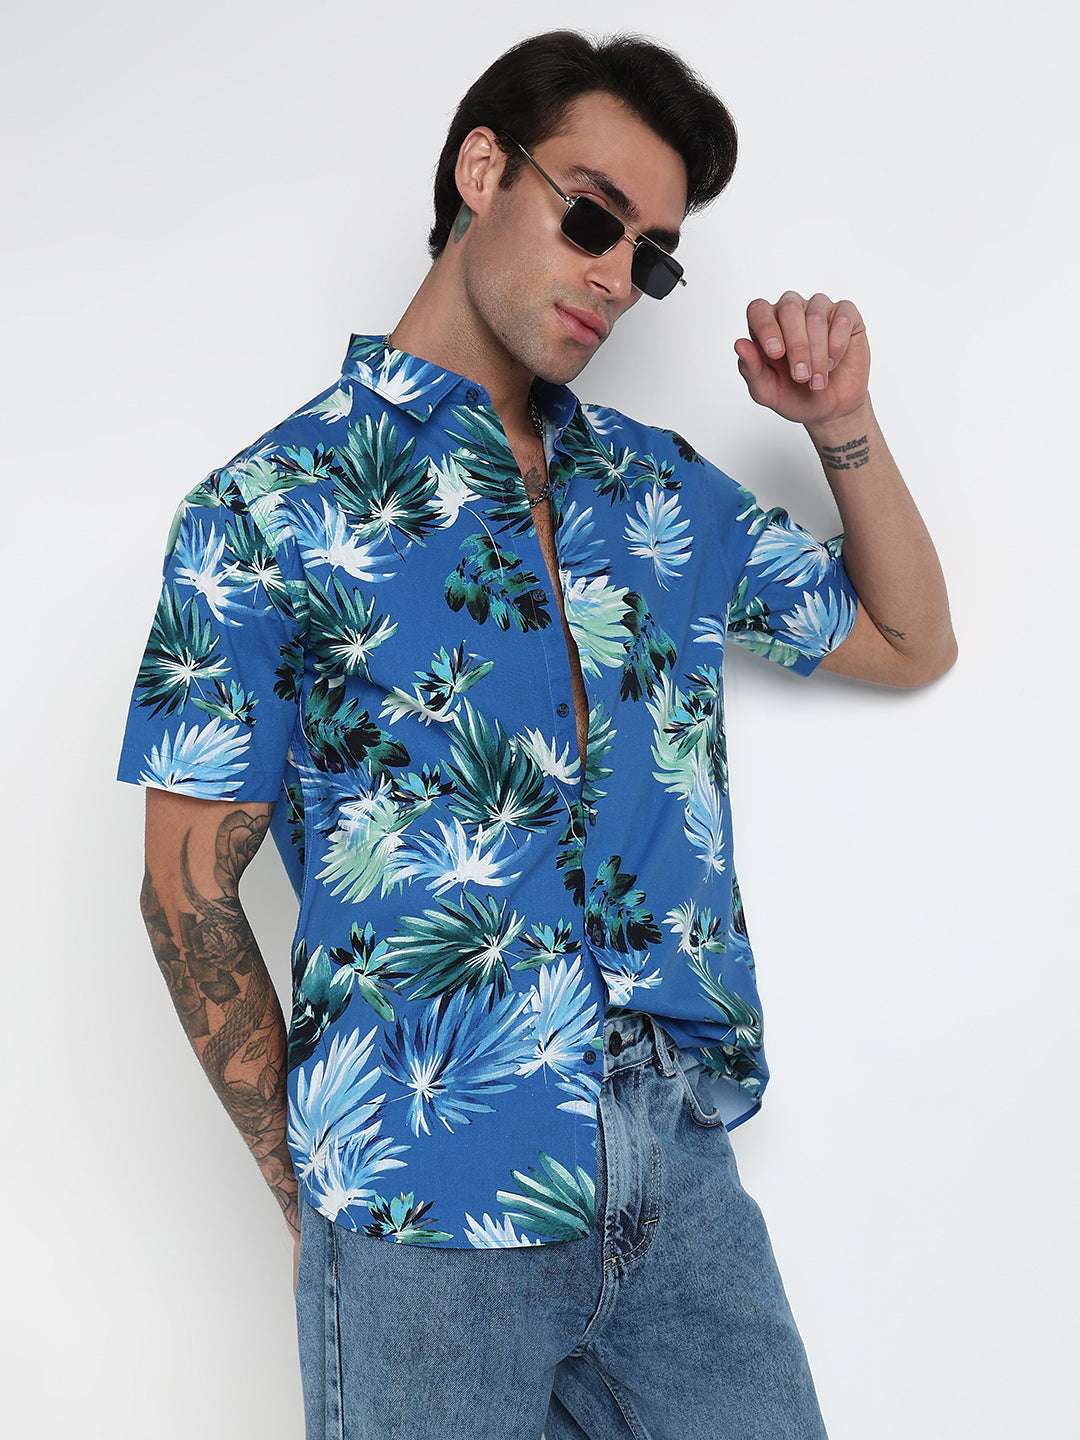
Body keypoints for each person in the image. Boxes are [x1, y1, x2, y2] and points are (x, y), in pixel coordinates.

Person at [119, 29, 956, 1440]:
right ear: (481, 170)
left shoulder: (655, 490)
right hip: (419, 1186)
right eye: (592, 218)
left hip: (676, 1181)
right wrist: (315, 1189)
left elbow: (909, 639)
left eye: (653, 255)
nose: (618, 276)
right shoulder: (267, 510)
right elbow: (184, 889)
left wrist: (844, 424)